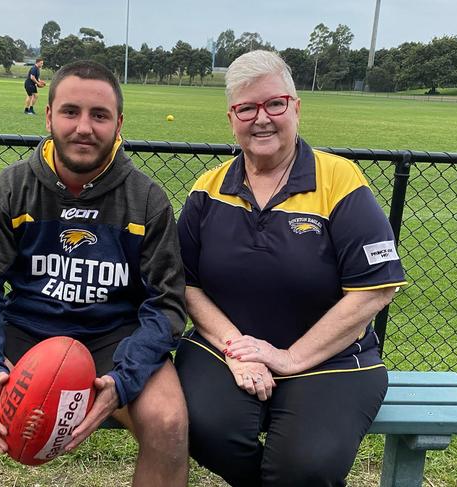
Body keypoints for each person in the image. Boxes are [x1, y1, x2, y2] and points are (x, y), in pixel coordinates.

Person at [0, 60, 189, 487]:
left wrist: (125, 377)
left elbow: (167, 305)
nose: (84, 127)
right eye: (70, 112)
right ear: (48, 116)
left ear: (118, 123)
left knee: (168, 423)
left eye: (99, 115)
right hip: (24, 333)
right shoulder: (12, 188)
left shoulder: (147, 200)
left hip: (113, 338)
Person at [174, 50, 407, 487]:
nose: (261, 118)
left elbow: (377, 289)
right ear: (231, 117)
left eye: (274, 104)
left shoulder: (340, 180)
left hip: (331, 358)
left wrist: (288, 358)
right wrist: (236, 348)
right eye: (247, 108)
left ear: (296, 107)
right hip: (227, 353)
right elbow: (183, 282)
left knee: (305, 468)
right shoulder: (207, 189)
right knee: (208, 431)